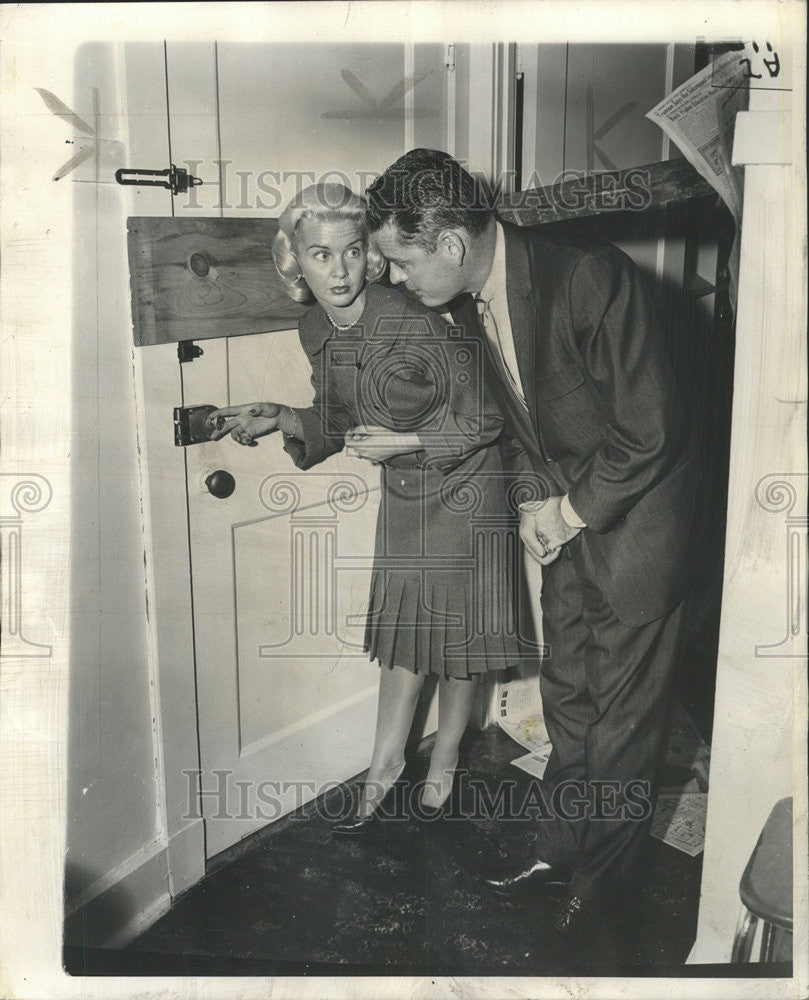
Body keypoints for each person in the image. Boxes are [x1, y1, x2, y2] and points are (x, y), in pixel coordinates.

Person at [364, 149, 696, 945]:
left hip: (636, 526)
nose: (396, 278)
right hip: (568, 525)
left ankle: (602, 897)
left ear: (447, 242)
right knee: (569, 703)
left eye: (400, 260)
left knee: (620, 726)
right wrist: (528, 509)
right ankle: (557, 857)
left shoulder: (586, 276)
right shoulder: (474, 304)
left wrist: (570, 512)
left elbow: (650, 429)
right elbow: (520, 433)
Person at [207, 183, 520, 830]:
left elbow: (486, 416)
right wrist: (284, 416)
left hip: (466, 481)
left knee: (459, 639)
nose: (340, 270)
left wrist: (404, 440)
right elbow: (337, 411)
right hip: (407, 489)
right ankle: (386, 762)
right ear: (294, 261)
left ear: (368, 255)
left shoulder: (410, 319)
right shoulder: (314, 325)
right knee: (408, 634)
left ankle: (447, 757)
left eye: (352, 252)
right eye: (320, 256)